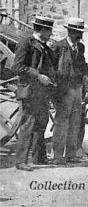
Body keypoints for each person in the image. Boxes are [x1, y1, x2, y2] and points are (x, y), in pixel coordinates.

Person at [13, 16, 57, 171]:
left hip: (41, 92)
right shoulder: (27, 43)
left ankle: (39, 157)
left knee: (42, 122)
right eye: (49, 30)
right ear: (43, 30)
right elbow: (17, 67)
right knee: (28, 124)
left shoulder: (44, 45)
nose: (51, 33)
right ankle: (21, 161)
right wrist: (38, 75)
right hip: (30, 90)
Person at [51, 17, 88, 164]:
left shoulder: (80, 47)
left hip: (77, 89)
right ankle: (57, 156)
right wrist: (55, 92)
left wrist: (87, 81)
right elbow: (52, 70)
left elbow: (83, 64)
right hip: (64, 90)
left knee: (75, 122)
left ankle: (71, 154)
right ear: (70, 31)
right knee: (61, 122)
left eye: (81, 33)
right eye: (77, 32)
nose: (79, 36)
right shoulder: (58, 47)